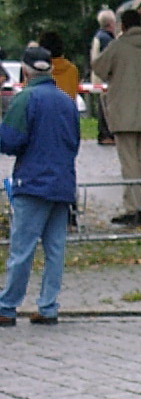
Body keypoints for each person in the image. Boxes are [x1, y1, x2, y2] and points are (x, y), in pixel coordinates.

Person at [0, 46, 80, 326]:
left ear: (25, 70)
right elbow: (75, 142)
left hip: (33, 183)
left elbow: (9, 142)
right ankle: (48, 306)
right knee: (55, 249)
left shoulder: (26, 99)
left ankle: (7, 306)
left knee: (22, 249)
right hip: (62, 183)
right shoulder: (67, 101)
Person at [95, 8, 141, 227]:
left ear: (123, 26)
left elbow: (99, 67)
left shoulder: (118, 46)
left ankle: (133, 208)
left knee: (129, 163)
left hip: (124, 112)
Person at [89, 10, 117, 145]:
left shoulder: (99, 36)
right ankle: (106, 134)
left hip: (98, 78)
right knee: (106, 107)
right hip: (104, 79)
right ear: (111, 23)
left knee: (103, 105)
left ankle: (105, 134)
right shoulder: (107, 39)